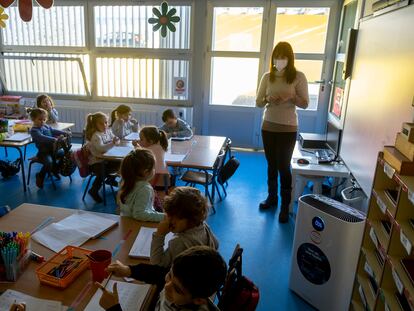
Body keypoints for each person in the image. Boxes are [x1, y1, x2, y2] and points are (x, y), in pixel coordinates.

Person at [256, 41, 309, 223]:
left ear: (290, 58)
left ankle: (285, 207)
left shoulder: (298, 77)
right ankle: (272, 198)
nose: (280, 60)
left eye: (283, 57)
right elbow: (258, 102)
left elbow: (305, 103)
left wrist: (292, 97)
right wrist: (267, 98)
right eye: (277, 57)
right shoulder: (267, 77)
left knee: (283, 166)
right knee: (271, 164)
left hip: (288, 128)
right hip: (268, 125)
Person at [97, 246, 227, 311]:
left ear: (198, 300)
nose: (166, 286)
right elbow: (159, 274)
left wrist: (113, 309)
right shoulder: (183, 284)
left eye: (177, 289)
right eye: (170, 275)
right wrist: (129, 270)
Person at [118, 148, 164, 222]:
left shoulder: (123, 181)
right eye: (153, 168)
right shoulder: (144, 189)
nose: (154, 170)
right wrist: (164, 217)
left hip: (126, 221)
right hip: (138, 225)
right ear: (146, 172)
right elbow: (139, 214)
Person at [85, 112, 120, 203]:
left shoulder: (107, 131)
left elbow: (116, 139)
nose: (105, 125)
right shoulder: (95, 135)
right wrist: (113, 143)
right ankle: (93, 190)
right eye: (101, 123)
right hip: (96, 162)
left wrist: (116, 140)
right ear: (95, 124)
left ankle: (110, 179)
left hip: (106, 159)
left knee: (121, 163)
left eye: (106, 122)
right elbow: (101, 149)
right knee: (103, 171)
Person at [29, 108, 68, 188]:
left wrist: (63, 132)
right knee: (49, 162)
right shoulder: (34, 131)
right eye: (40, 119)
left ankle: (55, 169)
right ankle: (40, 175)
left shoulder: (45, 126)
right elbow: (41, 137)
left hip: (53, 150)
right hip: (43, 153)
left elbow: (53, 130)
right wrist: (54, 139)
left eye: (44, 119)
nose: (42, 121)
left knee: (66, 153)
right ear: (33, 119)